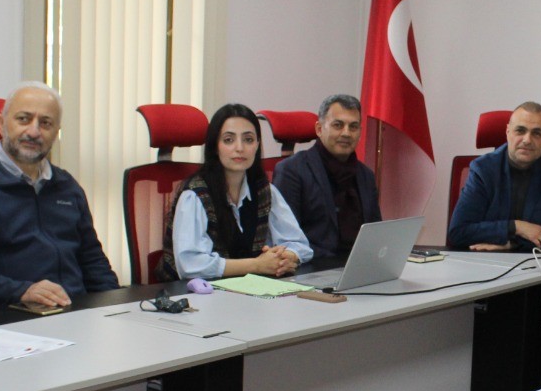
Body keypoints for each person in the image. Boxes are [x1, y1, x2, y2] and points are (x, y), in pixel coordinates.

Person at [0, 82, 119, 309]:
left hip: (73, 312)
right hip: (8, 316)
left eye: (45, 123)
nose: (33, 131)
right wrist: (22, 291)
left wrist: (116, 307)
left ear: (56, 133)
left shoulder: (66, 186)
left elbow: (92, 261)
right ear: (1, 124)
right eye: (23, 119)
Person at [160, 103, 312, 280]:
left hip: (245, 289)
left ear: (257, 145)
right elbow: (190, 265)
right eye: (228, 140)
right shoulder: (194, 195)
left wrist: (286, 258)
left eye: (248, 139)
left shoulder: (266, 191)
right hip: (193, 292)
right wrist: (257, 265)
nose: (240, 148)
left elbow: (300, 245)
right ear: (215, 146)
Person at [447, 102, 541, 251]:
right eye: (520, 131)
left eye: (537, 133)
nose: (527, 140)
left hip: (534, 262)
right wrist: (516, 227)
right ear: (508, 132)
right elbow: (458, 232)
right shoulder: (483, 170)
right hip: (485, 261)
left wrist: (511, 245)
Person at [272, 93, 382, 259]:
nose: (346, 133)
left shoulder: (366, 176)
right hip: (312, 266)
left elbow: (376, 234)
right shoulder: (291, 171)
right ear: (319, 129)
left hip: (359, 265)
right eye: (338, 125)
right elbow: (286, 241)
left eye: (353, 127)